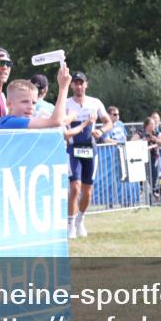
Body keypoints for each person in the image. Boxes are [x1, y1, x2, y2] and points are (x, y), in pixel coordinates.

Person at [65, 71, 112, 238]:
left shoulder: (95, 102)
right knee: (75, 187)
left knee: (88, 190)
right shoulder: (66, 103)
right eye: (75, 83)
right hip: (73, 149)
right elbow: (62, 126)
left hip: (90, 149)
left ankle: (80, 220)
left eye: (81, 83)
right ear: (71, 85)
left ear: (86, 84)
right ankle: (70, 224)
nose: (78, 86)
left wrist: (101, 130)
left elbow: (108, 121)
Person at [0, 64, 71, 130]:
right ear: (9, 104)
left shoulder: (20, 122)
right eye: (24, 101)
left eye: (34, 103)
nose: (31, 107)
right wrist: (63, 87)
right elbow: (56, 121)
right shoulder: (11, 122)